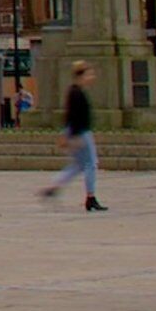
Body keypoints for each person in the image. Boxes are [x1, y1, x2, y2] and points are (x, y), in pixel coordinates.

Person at [41, 61, 105, 212]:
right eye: (89, 74)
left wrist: (67, 133)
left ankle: (54, 186)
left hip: (77, 131)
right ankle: (90, 197)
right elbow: (73, 116)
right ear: (81, 75)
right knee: (90, 164)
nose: (92, 77)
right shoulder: (77, 93)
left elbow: (69, 117)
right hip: (81, 132)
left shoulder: (75, 91)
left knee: (78, 165)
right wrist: (74, 135)